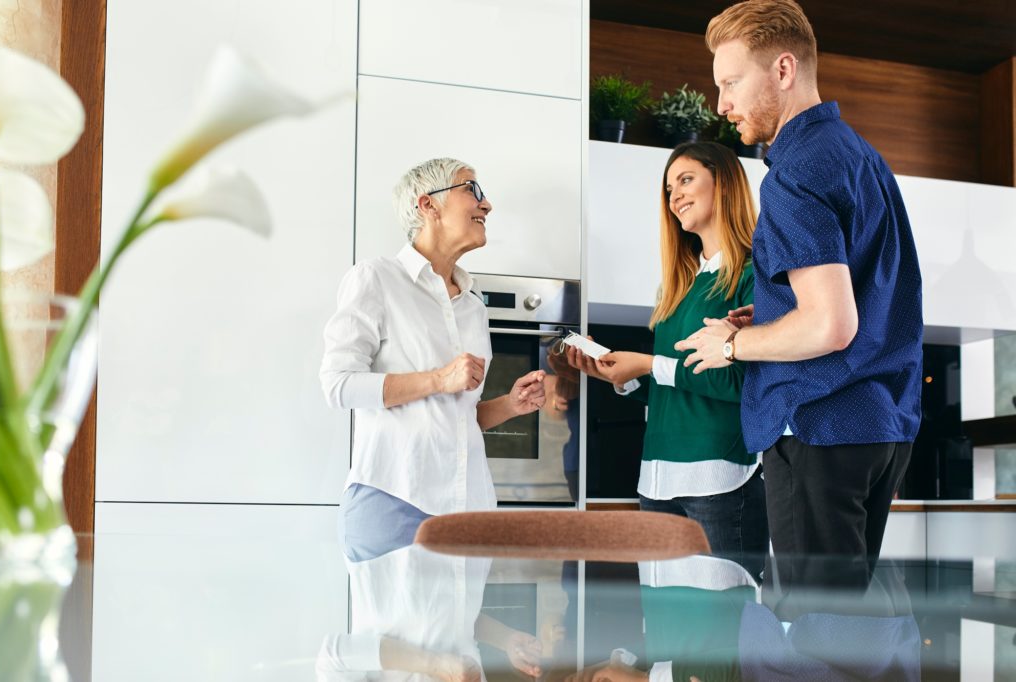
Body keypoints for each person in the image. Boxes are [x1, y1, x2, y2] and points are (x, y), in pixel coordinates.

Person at [677, 0, 923, 578]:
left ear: (783, 70)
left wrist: (731, 348)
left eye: (731, 82)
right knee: (851, 625)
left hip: (818, 421)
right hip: (878, 423)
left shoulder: (793, 172)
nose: (722, 104)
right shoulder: (859, 156)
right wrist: (766, 313)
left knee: (814, 632)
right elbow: (859, 291)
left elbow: (829, 325)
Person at [320, 158, 546, 558]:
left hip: (468, 506)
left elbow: (459, 418)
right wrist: (439, 380)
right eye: (471, 190)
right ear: (428, 205)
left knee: (461, 624)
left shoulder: (473, 306)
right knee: (391, 624)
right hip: (395, 499)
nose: (487, 204)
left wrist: (511, 406)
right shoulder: (376, 278)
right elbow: (338, 385)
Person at [568, 142, 767, 577]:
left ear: (724, 183)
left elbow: (748, 384)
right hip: (657, 481)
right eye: (668, 187)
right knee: (664, 625)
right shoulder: (680, 289)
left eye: (686, 179)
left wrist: (648, 363)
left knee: (723, 629)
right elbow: (675, 389)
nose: (674, 194)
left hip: (718, 479)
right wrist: (622, 377)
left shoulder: (755, 277)